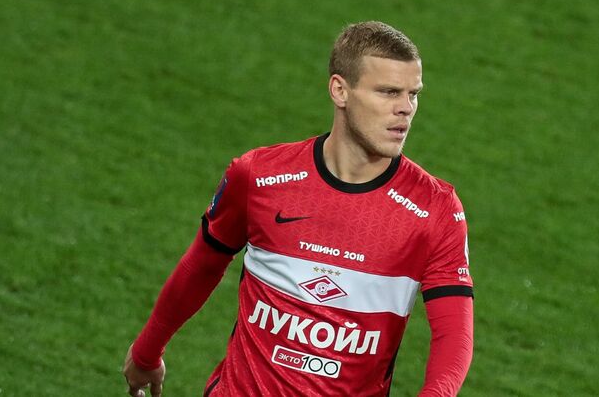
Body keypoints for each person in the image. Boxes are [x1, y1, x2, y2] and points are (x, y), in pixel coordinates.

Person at [123, 20, 474, 397]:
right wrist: (146, 352)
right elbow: (202, 265)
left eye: (413, 94)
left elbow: (454, 334)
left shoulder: (434, 209)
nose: (405, 109)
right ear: (340, 90)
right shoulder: (259, 177)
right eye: (388, 92)